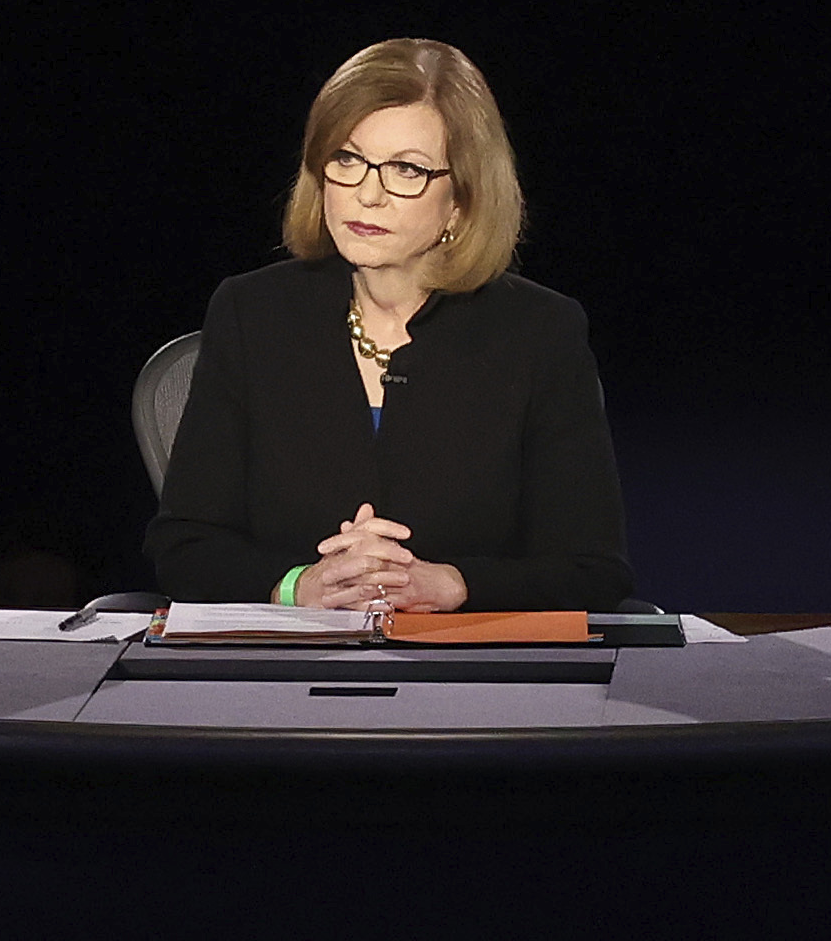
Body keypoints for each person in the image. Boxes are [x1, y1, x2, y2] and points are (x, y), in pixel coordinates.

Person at [141, 37, 633, 616]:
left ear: (462, 199)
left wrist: (452, 585)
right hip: (285, 679)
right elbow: (183, 545)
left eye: (407, 169)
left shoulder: (539, 332)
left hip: (469, 686)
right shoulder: (253, 313)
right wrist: (300, 586)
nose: (367, 194)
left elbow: (591, 569)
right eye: (347, 160)